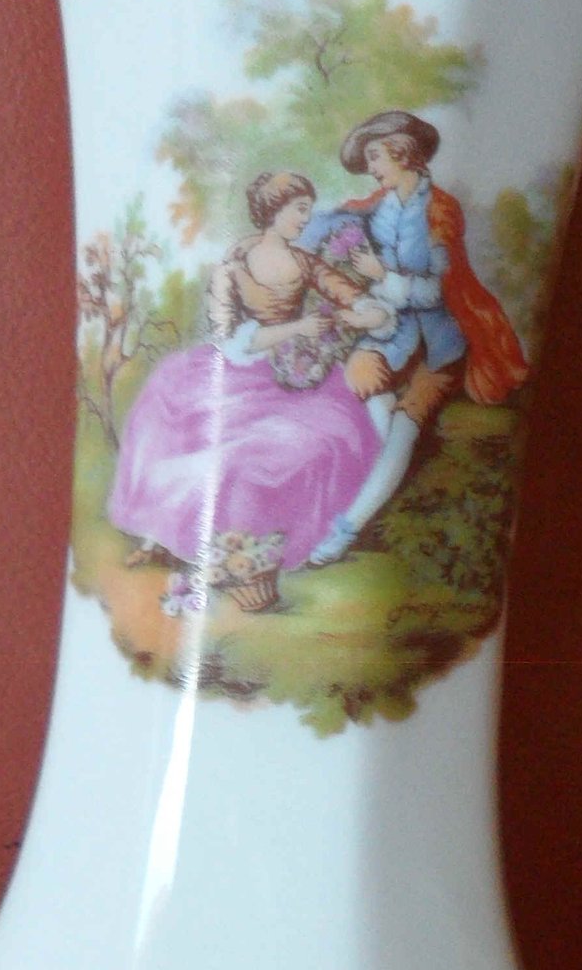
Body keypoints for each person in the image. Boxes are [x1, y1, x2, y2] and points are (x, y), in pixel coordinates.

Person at [106, 170, 386, 609]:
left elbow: (350, 295)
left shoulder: (305, 262)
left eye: (308, 211)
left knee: (309, 443)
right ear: (274, 210)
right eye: (299, 210)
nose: (304, 219)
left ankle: (251, 553)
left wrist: (367, 311)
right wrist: (297, 328)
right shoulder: (236, 264)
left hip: (296, 373)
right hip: (239, 365)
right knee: (177, 421)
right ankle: (163, 536)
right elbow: (225, 334)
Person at [297, 110, 530, 563]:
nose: (372, 168)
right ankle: (387, 476)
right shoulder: (380, 206)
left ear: (402, 153)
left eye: (376, 156)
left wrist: (381, 275)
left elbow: (436, 290)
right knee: (360, 374)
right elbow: (335, 220)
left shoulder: (441, 211)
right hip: (393, 332)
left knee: (405, 425)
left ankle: (346, 529)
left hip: (440, 342)